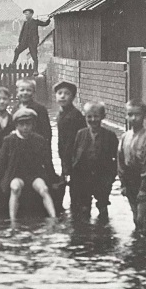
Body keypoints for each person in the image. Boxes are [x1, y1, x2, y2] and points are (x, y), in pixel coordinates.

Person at [0, 108, 56, 221]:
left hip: (35, 175)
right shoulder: (9, 140)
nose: (25, 127)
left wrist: (53, 179)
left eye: (28, 124)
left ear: (33, 125)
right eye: (21, 124)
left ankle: (53, 217)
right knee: (15, 188)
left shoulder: (39, 140)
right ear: (16, 125)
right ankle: (13, 220)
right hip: (16, 174)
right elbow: (0, 161)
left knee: (44, 189)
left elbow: (47, 161)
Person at [117, 99, 146, 234]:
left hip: (144, 181)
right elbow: (120, 161)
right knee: (135, 217)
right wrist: (123, 183)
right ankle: (139, 243)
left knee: (141, 217)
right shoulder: (125, 136)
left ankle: (143, 243)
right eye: (130, 114)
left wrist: (144, 188)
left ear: (144, 116)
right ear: (126, 115)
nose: (134, 118)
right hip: (130, 181)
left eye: (138, 115)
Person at [71, 102, 118, 220]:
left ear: (103, 117)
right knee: (84, 208)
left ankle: (104, 233)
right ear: (85, 117)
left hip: (102, 179)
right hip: (84, 178)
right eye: (89, 117)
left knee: (102, 206)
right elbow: (75, 155)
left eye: (96, 116)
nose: (93, 120)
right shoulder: (81, 134)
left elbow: (117, 159)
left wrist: (111, 177)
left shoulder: (110, 136)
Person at [54, 81, 86, 212]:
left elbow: (72, 143)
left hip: (76, 159)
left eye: (67, 94)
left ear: (73, 97)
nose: (62, 96)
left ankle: (76, 213)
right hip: (66, 158)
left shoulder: (74, 116)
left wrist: (67, 164)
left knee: (76, 188)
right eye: (59, 93)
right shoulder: (61, 114)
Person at [12, 8, 52, 73]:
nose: (26, 16)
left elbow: (45, 24)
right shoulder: (25, 23)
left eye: (27, 14)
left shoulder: (35, 22)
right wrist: (19, 42)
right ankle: (13, 65)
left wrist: (49, 19)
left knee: (34, 56)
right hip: (24, 42)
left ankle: (35, 70)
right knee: (16, 51)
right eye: (25, 15)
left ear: (31, 14)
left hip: (33, 42)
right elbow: (21, 33)